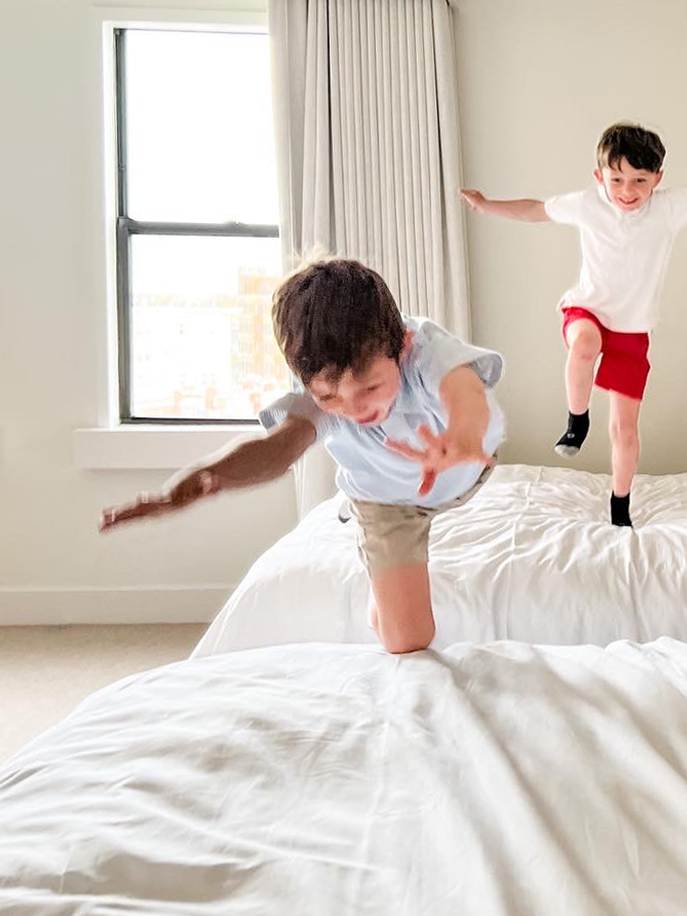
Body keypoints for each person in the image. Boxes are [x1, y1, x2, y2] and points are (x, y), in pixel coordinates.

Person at [100, 258, 504, 654]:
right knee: (405, 639)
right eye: (329, 396)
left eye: (369, 387)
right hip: (387, 500)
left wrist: (461, 437)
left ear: (402, 345)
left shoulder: (425, 348)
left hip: (460, 472)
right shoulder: (318, 401)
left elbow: (463, 389)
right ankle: (378, 585)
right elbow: (278, 449)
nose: (354, 408)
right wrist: (204, 477)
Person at [462, 122, 687, 526]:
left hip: (632, 332)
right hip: (585, 310)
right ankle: (576, 420)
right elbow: (535, 209)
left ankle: (619, 505)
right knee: (584, 345)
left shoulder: (670, 208)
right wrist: (486, 204)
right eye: (617, 179)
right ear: (599, 177)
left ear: (658, 179)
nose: (627, 191)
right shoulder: (588, 204)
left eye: (640, 181)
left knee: (625, 431)